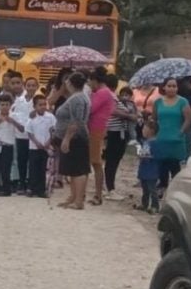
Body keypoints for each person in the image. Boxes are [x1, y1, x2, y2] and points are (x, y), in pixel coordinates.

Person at [54, 72, 91, 210]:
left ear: (71, 83)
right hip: (74, 137)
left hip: (76, 138)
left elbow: (76, 121)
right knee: (72, 169)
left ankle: (78, 200)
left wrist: (67, 139)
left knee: (78, 170)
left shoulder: (77, 99)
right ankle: (74, 197)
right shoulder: (78, 97)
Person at [154, 78, 191, 192]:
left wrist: (180, 132)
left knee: (175, 166)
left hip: (176, 139)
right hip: (161, 138)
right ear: (164, 87)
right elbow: (154, 119)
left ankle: (175, 190)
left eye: (174, 86)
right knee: (162, 165)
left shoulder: (183, 102)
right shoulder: (158, 102)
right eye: (169, 86)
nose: (172, 88)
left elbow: (188, 119)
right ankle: (162, 187)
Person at [104, 76, 138, 199]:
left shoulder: (116, 98)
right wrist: (129, 116)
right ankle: (110, 188)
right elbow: (113, 111)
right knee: (112, 161)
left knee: (114, 161)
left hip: (120, 132)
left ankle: (109, 186)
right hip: (116, 133)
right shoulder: (112, 97)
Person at [87, 67, 115, 206]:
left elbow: (90, 108)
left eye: (90, 82)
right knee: (95, 162)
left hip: (96, 129)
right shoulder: (104, 92)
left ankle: (98, 194)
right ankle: (97, 193)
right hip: (97, 128)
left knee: (96, 163)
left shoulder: (102, 93)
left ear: (95, 80)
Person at [0, 94, 23, 196]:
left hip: (8, 145)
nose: (4, 107)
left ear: (10, 105)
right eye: (2, 104)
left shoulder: (14, 115)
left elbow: (22, 129)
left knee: (5, 168)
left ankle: (6, 188)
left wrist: (13, 122)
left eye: (7, 104)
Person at [26, 95, 56, 198]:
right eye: (40, 105)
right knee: (33, 168)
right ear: (34, 106)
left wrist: (49, 141)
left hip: (46, 147)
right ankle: (31, 188)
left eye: (44, 104)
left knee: (43, 169)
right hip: (34, 147)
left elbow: (53, 130)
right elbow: (29, 133)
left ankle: (41, 190)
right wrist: (36, 142)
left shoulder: (50, 117)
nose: (43, 107)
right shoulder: (32, 118)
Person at [11, 75, 36, 194]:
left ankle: (30, 182)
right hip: (20, 134)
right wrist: (19, 125)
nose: (31, 88)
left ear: (37, 87)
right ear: (25, 86)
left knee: (31, 160)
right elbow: (14, 114)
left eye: (33, 85)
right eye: (29, 85)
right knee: (21, 159)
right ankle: (21, 182)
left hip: (33, 135)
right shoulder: (19, 100)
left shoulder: (38, 100)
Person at [135, 121, 160, 214]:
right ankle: (144, 204)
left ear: (152, 130)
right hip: (144, 169)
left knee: (152, 189)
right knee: (145, 188)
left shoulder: (155, 142)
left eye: (145, 129)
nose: (142, 131)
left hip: (152, 169)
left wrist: (146, 156)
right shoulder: (145, 142)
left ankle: (155, 206)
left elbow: (156, 155)